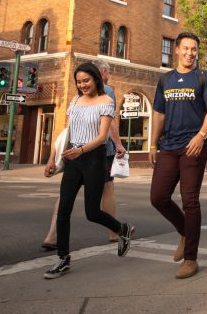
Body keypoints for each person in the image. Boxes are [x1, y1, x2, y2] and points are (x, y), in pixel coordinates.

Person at [42, 62, 134, 279]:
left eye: (86, 80)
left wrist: (81, 150)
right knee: (63, 209)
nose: (82, 85)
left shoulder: (106, 101)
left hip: (94, 158)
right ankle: (63, 258)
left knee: (92, 212)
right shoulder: (75, 101)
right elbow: (68, 131)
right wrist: (51, 158)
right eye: (79, 81)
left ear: (96, 79)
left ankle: (123, 229)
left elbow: (102, 136)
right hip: (73, 157)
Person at [150, 31, 207, 279]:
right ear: (177, 50)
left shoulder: (205, 77)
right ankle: (185, 231)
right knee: (158, 197)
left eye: (194, 49)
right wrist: (152, 145)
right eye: (186, 48)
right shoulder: (165, 80)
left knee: (190, 200)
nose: (190, 53)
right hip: (169, 145)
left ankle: (191, 258)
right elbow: (159, 113)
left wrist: (201, 136)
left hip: (194, 144)